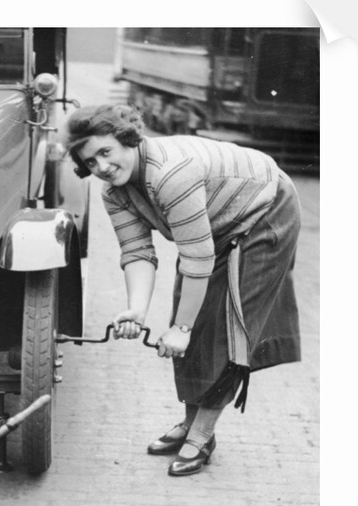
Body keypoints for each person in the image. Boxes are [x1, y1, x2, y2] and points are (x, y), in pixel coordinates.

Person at [65, 104, 301, 476]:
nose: (102, 167)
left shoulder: (170, 175)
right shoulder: (115, 194)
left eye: (105, 152)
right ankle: (190, 423)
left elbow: (197, 258)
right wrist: (137, 311)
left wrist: (183, 329)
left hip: (264, 210)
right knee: (187, 312)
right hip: (215, 225)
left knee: (225, 324)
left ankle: (203, 433)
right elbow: (138, 252)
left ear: (127, 139)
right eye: (90, 162)